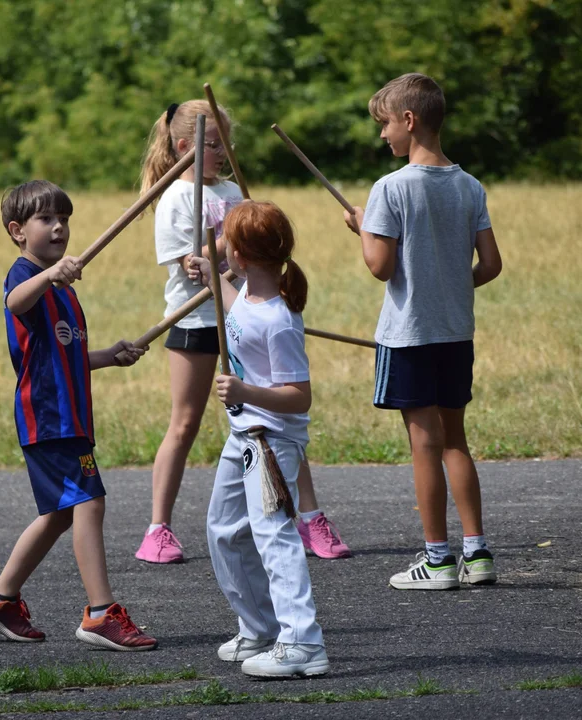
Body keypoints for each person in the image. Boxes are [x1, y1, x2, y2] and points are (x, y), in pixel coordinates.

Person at [135, 99, 350, 564]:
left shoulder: (233, 192)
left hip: (247, 317)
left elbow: (234, 253)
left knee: (276, 420)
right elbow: (192, 269)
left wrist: (239, 234)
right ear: (184, 146)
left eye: (227, 143)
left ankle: (309, 518)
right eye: (213, 144)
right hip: (195, 319)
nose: (223, 152)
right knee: (186, 421)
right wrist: (231, 242)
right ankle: (158, 529)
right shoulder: (173, 197)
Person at [0, 180, 158, 650]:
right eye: (46, 219)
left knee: (59, 513)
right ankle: (99, 613)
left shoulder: (63, 291)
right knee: (89, 502)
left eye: (65, 219)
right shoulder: (25, 275)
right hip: (49, 417)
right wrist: (48, 277)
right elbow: (14, 302)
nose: (59, 227)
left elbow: (64, 353)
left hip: (70, 416)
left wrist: (108, 356)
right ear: (17, 231)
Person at [343, 73, 503, 590]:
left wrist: (365, 228)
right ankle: (476, 555)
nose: (382, 135)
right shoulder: (469, 184)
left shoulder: (389, 189)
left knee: (423, 445)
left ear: (408, 121)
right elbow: (491, 264)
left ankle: (437, 560)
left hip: (409, 336)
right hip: (456, 333)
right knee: (455, 438)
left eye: (385, 124)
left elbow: (381, 267)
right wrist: (453, 286)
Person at [192, 201, 329, 678]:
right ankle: (260, 626)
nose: (223, 246)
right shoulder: (248, 295)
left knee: (274, 535)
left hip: (271, 441)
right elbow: (234, 310)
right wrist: (214, 274)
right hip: (243, 438)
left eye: (228, 242)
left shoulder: (280, 320)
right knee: (223, 529)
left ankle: (303, 642)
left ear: (244, 255)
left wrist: (246, 390)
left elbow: (300, 397)